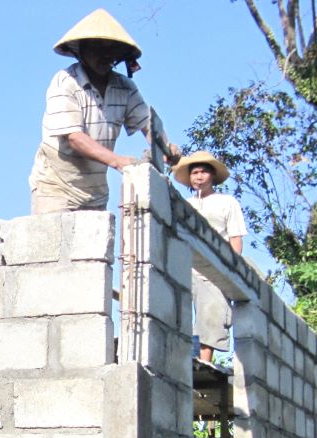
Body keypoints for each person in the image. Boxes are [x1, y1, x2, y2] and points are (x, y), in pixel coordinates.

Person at [29, 8, 180, 214]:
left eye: (111, 50)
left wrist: (166, 148)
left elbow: (147, 124)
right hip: (56, 186)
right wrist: (118, 161)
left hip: (95, 191)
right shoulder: (65, 82)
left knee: (92, 245)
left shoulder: (125, 87)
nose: (105, 55)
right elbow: (74, 138)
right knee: (53, 244)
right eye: (97, 48)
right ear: (81, 50)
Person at [172, 150, 247, 362]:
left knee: (211, 312)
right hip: (187, 265)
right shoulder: (185, 204)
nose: (198, 176)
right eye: (194, 172)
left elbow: (235, 237)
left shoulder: (227, 202)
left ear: (212, 175)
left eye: (203, 172)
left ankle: (204, 361)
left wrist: (232, 267)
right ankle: (181, 359)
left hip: (215, 267)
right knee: (179, 312)